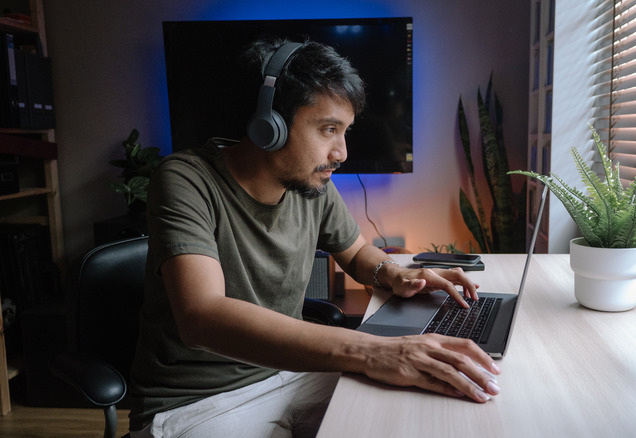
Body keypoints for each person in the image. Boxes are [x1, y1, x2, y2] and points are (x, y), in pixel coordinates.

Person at [128, 38, 501, 438]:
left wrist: (395, 274)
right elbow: (203, 318)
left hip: (292, 373)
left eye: (345, 131)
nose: (341, 152)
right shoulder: (185, 179)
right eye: (328, 129)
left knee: (429, 401)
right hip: (198, 404)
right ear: (268, 124)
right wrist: (374, 351)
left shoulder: (312, 185)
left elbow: (357, 251)